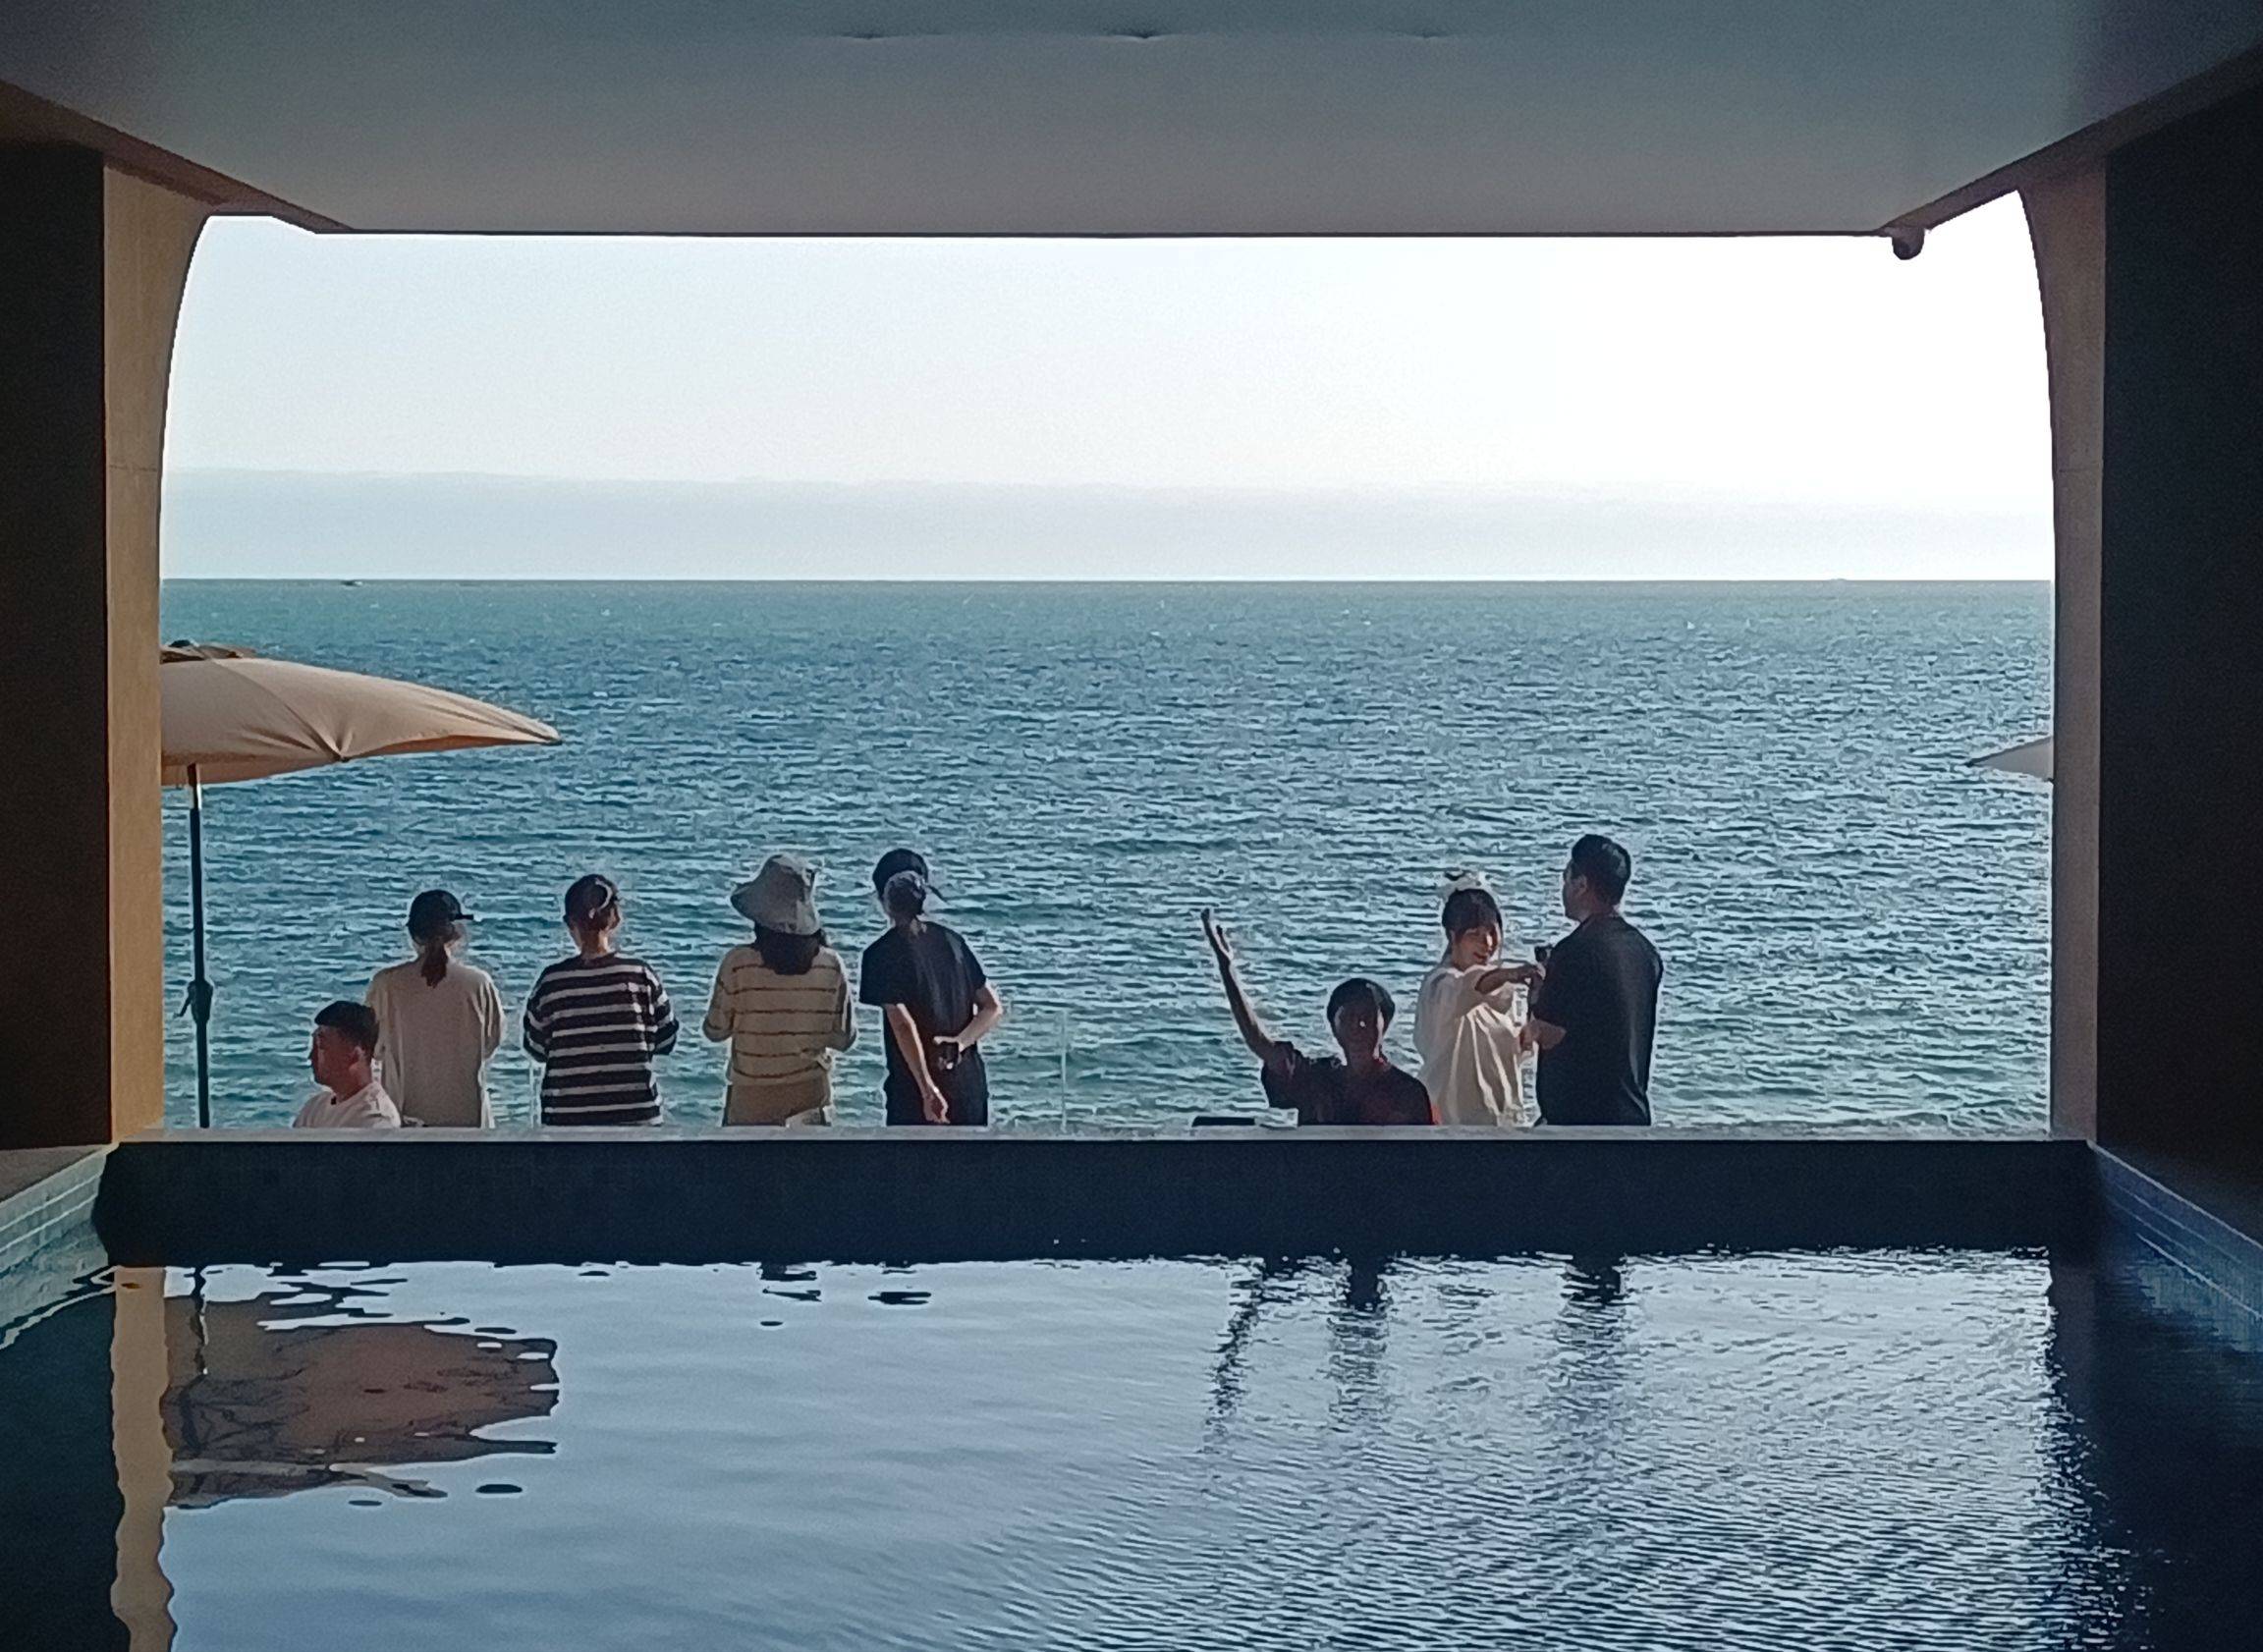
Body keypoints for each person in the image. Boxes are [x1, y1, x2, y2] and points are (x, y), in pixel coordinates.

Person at [1200, 909, 1431, 1126]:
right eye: (1348, 1017)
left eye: (1367, 1016)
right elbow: (1261, 1044)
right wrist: (1226, 968)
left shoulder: (1407, 1093)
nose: (1358, 1025)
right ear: (1334, 1027)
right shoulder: (1318, 1081)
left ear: (1385, 1023)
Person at [703, 853, 856, 1126]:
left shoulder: (737, 964)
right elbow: (844, 1039)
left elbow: (715, 1031)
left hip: (750, 1100)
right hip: (811, 1097)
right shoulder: (830, 964)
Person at [857, 849, 1004, 1126]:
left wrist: (927, 1089)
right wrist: (960, 1043)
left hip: (913, 1092)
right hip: (968, 1087)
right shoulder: (953, 942)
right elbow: (992, 1007)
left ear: (882, 899)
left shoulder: (880, 954)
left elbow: (903, 1025)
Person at [1527, 835, 1663, 1126]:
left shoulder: (1574, 951)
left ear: (1581, 884)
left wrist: (1537, 993)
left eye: (1566, 876)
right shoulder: (1645, 952)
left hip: (1582, 1123)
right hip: (1632, 1115)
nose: (1563, 886)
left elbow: (1549, 1033)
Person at [522, 874, 679, 1126]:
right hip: (638, 1122)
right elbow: (667, 1039)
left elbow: (535, 1048)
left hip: (566, 1122)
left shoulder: (551, 982)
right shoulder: (641, 975)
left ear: (570, 923)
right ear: (616, 919)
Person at [365, 889, 504, 1127]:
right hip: (470, 1124)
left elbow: (374, 1050)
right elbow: (489, 1044)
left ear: (413, 934)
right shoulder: (478, 984)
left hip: (403, 1124)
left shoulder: (386, 985)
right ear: (457, 933)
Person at [1414, 878, 1543, 1127]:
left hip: (1500, 1119)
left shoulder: (1500, 989)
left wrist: (1535, 1010)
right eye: (1475, 935)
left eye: (1492, 933)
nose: (1488, 944)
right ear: (1453, 937)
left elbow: (1516, 1049)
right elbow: (1468, 988)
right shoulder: (1439, 986)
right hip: (1451, 1123)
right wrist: (1511, 974)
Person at [293, 1000, 402, 1129]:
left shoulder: (375, 1122)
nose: (311, 1056)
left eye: (321, 1046)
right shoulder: (314, 1109)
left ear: (355, 1053)